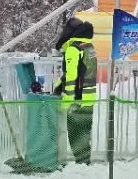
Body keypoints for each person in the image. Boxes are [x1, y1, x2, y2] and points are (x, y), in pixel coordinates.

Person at [53, 17, 97, 164]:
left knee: (76, 135)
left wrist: (66, 101)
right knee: (84, 134)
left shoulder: (73, 49)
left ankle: (83, 164)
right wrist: (59, 84)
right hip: (89, 98)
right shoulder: (88, 46)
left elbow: (71, 77)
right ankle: (85, 162)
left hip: (77, 99)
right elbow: (81, 72)